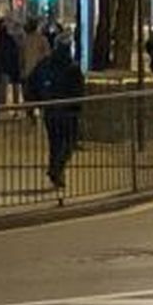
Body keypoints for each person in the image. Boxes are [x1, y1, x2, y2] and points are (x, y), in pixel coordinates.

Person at [33, 34, 85, 190]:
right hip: (68, 112)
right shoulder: (72, 67)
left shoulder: (46, 64)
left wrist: (39, 100)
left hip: (51, 111)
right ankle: (57, 169)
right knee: (68, 143)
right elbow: (79, 90)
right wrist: (77, 106)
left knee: (55, 143)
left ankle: (56, 170)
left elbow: (33, 82)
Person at [0, 18, 24, 113]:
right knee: (13, 87)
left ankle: (3, 109)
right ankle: (15, 109)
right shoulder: (11, 39)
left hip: (4, 66)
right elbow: (17, 51)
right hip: (13, 65)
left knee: (3, 89)